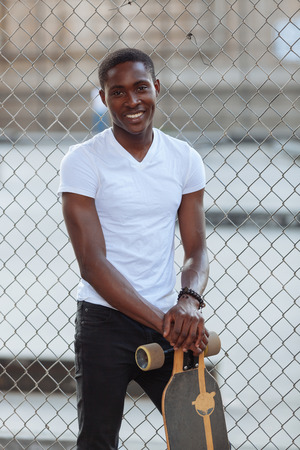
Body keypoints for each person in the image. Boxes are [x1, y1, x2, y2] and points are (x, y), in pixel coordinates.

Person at [58, 48, 209, 449]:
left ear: (156, 88)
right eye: (118, 92)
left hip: (170, 319)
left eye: (141, 88)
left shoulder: (184, 158)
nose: (132, 101)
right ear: (104, 98)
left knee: (201, 436)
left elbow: (197, 249)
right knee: (97, 441)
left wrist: (189, 302)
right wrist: (166, 321)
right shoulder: (82, 161)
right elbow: (92, 264)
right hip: (105, 322)